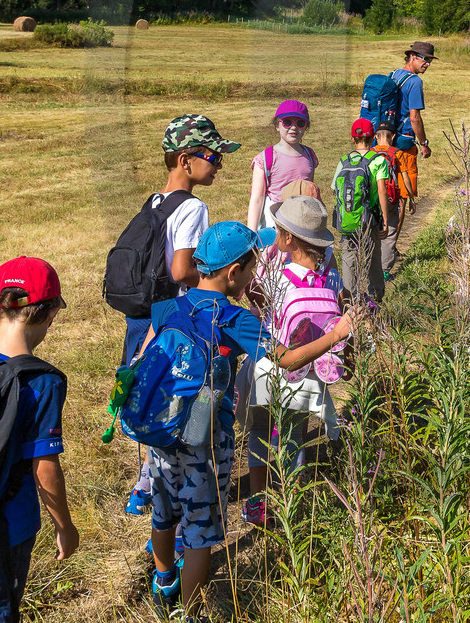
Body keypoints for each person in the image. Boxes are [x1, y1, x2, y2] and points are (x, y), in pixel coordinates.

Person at [141, 221, 352, 620]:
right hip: (204, 439)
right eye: (253, 267)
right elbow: (287, 359)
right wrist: (336, 333)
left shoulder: (167, 307)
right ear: (234, 271)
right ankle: (191, 613)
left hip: (161, 432)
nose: (255, 274)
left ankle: (165, 580)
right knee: (200, 531)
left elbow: (143, 361)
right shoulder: (234, 319)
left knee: (164, 512)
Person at [126, 114, 236, 516]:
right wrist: (216, 282)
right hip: (176, 323)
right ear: (186, 160)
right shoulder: (192, 206)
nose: (219, 164)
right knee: (177, 406)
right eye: (213, 156)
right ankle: (177, 497)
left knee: (148, 396)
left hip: (143, 317)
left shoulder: (154, 201)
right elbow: (180, 270)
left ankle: (144, 487)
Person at [0, 258, 78, 623]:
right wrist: (65, 527)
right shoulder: (42, 382)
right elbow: (45, 467)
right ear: (51, 314)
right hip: (6, 527)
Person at [240, 195, 349, 528]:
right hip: (311, 372)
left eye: (278, 230)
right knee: (293, 434)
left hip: (273, 369)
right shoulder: (332, 279)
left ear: (288, 239)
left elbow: (260, 314)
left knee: (261, 430)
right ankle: (295, 503)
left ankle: (258, 502)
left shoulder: (278, 278)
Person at [331, 118, 393, 304]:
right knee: (373, 257)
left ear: (352, 139)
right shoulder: (378, 161)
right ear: (373, 138)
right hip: (370, 220)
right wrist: (385, 219)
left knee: (349, 260)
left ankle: (349, 302)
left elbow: (335, 190)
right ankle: (376, 296)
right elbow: (382, 191)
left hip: (348, 220)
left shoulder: (344, 161)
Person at [245, 100, 319, 231]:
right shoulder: (265, 158)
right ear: (277, 125)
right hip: (275, 222)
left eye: (300, 123)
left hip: (302, 220)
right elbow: (257, 199)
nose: (293, 127)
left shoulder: (309, 155)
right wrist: (251, 233)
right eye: (287, 122)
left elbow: (309, 188)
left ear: (306, 127)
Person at [390, 41, 434, 219]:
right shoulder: (415, 82)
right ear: (413, 57)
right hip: (404, 144)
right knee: (402, 195)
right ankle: (393, 237)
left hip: (385, 140)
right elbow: (414, 118)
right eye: (425, 59)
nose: (428, 64)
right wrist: (424, 143)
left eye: (430, 61)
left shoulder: (393, 74)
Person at [372, 122, 404, 283]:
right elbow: (404, 176)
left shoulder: (370, 153)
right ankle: (385, 271)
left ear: (375, 137)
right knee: (390, 233)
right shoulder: (397, 153)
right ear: (393, 136)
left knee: (372, 232)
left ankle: (370, 267)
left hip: (373, 198)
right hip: (390, 198)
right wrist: (410, 197)